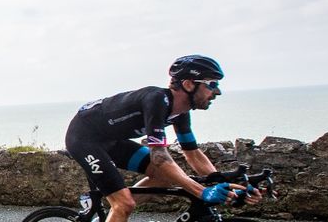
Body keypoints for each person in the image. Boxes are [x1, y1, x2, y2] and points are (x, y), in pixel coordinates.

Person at [64, 55, 262, 222]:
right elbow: (159, 157)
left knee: (163, 178)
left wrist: (222, 184)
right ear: (188, 84)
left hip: (111, 140)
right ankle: (119, 207)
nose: (217, 92)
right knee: (124, 204)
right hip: (83, 139)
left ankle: (113, 214)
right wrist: (202, 192)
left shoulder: (180, 112)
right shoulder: (157, 100)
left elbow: (192, 153)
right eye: (212, 84)